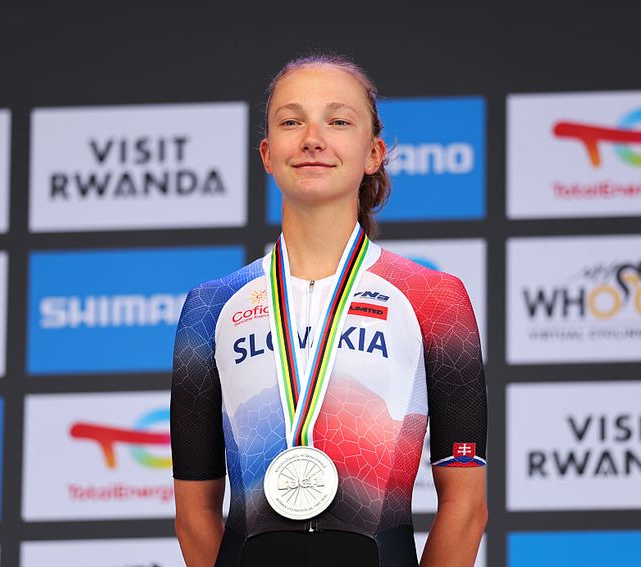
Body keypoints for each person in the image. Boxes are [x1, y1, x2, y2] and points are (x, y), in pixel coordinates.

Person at [170, 54, 487, 567]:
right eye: (292, 121)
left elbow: (466, 505)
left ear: (373, 152)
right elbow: (193, 513)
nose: (313, 138)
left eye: (338, 121)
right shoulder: (211, 306)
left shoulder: (433, 297)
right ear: (268, 154)